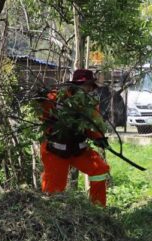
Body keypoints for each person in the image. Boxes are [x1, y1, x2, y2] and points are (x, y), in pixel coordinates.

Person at [37, 68, 111, 206]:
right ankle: (52, 218)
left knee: (99, 169)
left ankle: (98, 209)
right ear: (77, 85)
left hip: (79, 151)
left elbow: (92, 124)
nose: (89, 89)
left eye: (91, 86)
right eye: (87, 85)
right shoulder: (57, 97)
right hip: (56, 152)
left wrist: (99, 137)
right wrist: (41, 98)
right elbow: (44, 112)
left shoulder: (90, 103)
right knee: (54, 191)